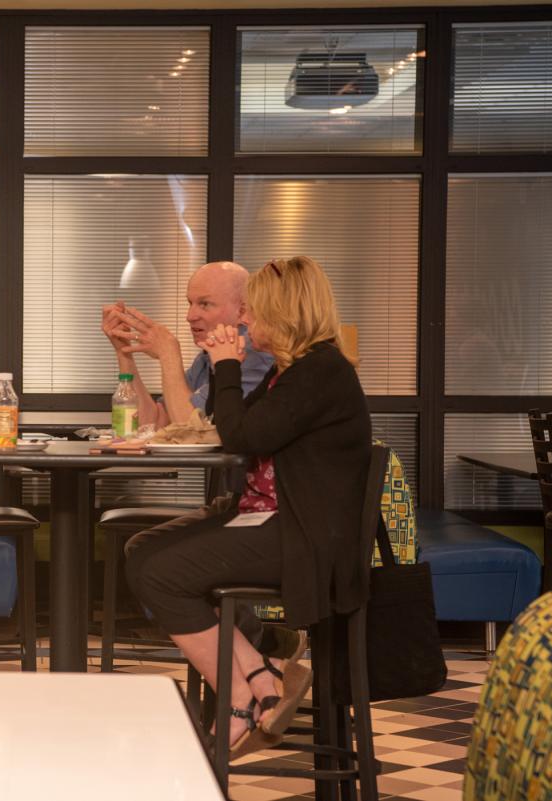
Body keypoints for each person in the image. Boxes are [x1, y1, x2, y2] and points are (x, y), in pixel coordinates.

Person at [123, 255, 372, 757]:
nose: (245, 322)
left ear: (282, 314)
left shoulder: (320, 370)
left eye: (253, 313)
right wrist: (226, 371)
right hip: (269, 517)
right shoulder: (290, 372)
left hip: (303, 537)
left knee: (163, 574)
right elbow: (226, 427)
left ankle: (238, 695)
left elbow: (241, 432)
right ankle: (263, 670)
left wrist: (227, 365)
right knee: (145, 551)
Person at [101, 261, 274, 427]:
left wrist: (168, 353)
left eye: (204, 304)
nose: (190, 316)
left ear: (242, 311)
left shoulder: (254, 355)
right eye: (190, 303)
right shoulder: (207, 356)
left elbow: (190, 427)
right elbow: (152, 423)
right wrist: (124, 351)